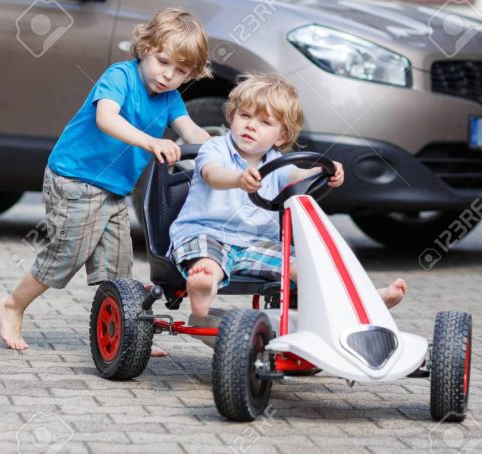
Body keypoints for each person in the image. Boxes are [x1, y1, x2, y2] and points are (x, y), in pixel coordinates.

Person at [0, 8, 213, 350]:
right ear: (144, 48)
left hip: (114, 189)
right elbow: (106, 118)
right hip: (74, 178)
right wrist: (150, 141)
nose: (168, 75)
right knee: (68, 254)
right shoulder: (120, 77)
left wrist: (221, 152)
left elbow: (193, 133)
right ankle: (12, 305)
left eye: (181, 71)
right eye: (163, 61)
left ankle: (128, 333)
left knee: (118, 268)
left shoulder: (170, 98)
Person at [169, 73, 407, 318]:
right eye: (245, 115)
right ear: (232, 116)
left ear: (281, 136)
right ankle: (202, 295)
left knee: (309, 265)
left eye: (265, 122)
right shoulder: (215, 148)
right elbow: (212, 174)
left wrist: (325, 171)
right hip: (205, 233)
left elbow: (298, 175)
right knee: (208, 265)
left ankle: (363, 299)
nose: (251, 125)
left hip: (254, 243)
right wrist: (237, 179)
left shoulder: (277, 163)